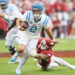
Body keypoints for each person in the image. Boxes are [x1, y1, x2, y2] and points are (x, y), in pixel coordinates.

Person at [10, 1, 58, 74]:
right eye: (34, 11)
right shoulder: (28, 14)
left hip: (34, 37)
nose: (35, 12)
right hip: (25, 33)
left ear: (41, 10)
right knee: (21, 48)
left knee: (27, 54)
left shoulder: (45, 19)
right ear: (32, 10)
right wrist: (19, 26)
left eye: (37, 10)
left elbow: (48, 31)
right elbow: (18, 20)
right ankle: (16, 54)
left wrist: (52, 39)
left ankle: (18, 68)